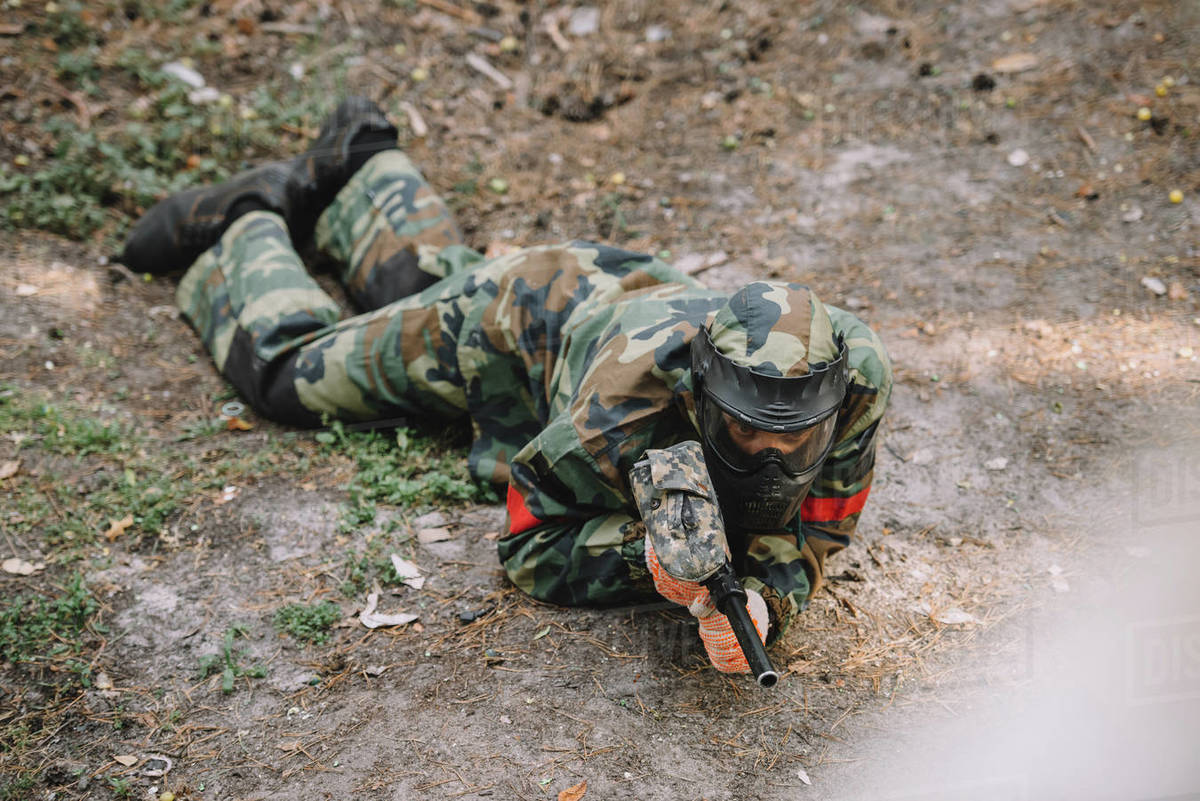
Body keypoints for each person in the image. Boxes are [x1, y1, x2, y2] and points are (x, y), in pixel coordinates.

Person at [122, 98, 892, 676]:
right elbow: (528, 539)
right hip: (512, 321)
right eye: (746, 432)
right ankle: (247, 220)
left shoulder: (854, 381)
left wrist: (763, 601)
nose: (769, 455)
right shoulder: (625, 408)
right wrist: (646, 561)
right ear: (700, 394)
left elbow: (819, 531)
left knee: (407, 290)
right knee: (291, 376)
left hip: (614, 297)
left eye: (793, 437)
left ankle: (366, 161)